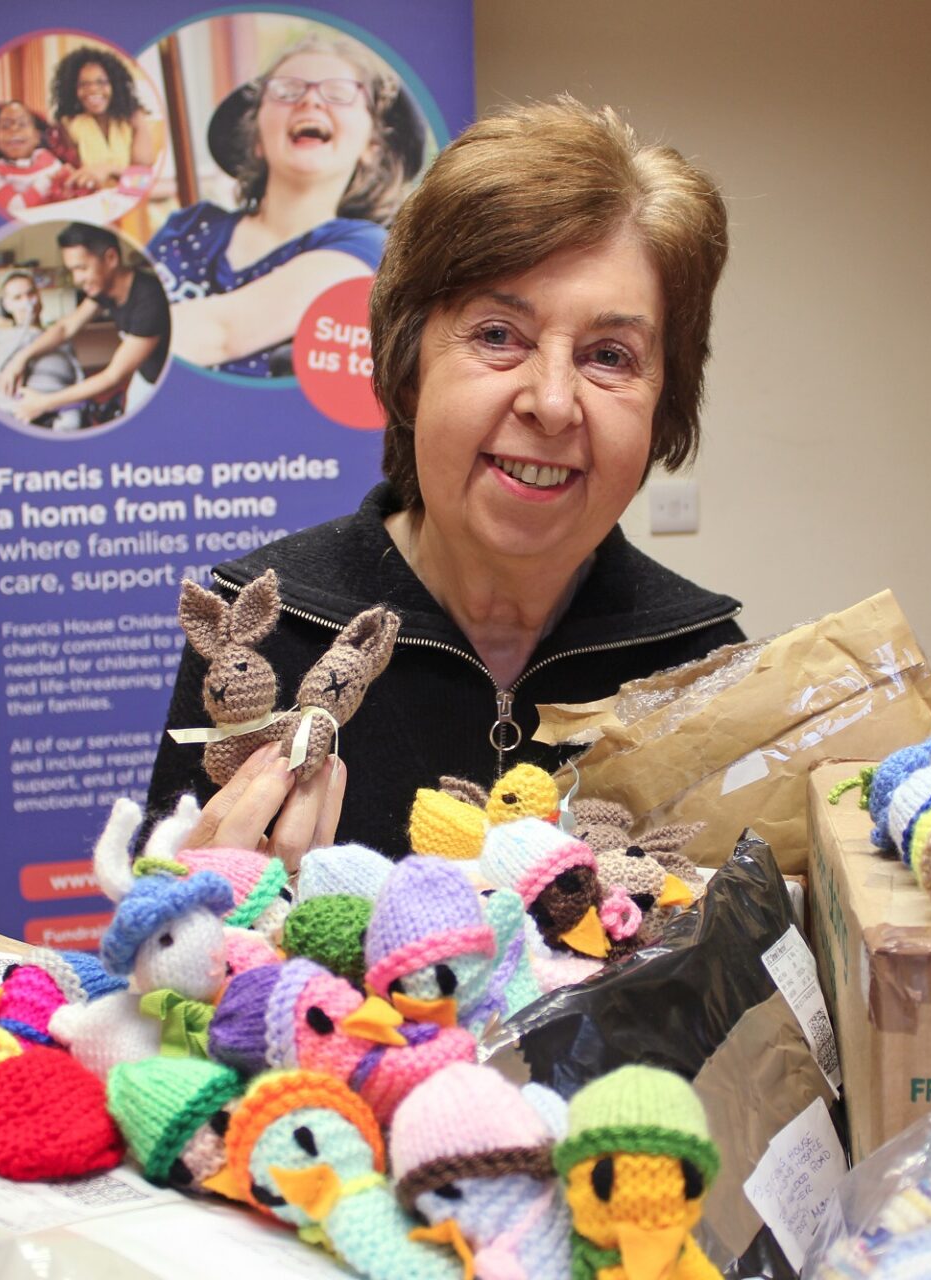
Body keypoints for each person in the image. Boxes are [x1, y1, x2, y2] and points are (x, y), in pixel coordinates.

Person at [145, 99, 743, 866]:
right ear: (407, 371)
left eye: (610, 355)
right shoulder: (260, 631)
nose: (553, 403)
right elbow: (157, 953)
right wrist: (225, 923)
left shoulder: (700, 667)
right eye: (499, 336)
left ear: (663, 405)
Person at [147, 35, 425, 377]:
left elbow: (221, 333)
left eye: (339, 93)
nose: (310, 100)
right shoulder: (189, 224)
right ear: (256, 138)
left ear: (372, 146)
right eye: (287, 91)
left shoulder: (365, 249)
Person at [0, 223, 169, 424]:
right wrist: (21, 358)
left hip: (167, 382)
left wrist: (44, 403)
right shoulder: (105, 289)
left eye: (82, 268)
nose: (77, 279)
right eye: (72, 270)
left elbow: (113, 376)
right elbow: (66, 328)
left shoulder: (150, 300)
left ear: (111, 258)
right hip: (146, 372)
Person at [0, 272, 85, 430]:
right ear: (6, 305)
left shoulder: (58, 337)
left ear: (39, 296)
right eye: (18, 298)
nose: (27, 302)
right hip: (7, 412)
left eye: (31, 294)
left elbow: (78, 380)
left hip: (56, 412)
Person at [49, 46, 158, 189]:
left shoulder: (133, 117)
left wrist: (108, 169)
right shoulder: (68, 124)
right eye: (84, 84)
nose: (93, 89)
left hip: (133, 199)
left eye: (101, 82)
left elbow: (144, 179)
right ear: (73, 89)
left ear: (115, 85)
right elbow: (74, 179)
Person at [0, 100, 77, 216]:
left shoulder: (45, 155)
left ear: (37, 137)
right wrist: (49, 180)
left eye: (22, 124)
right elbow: (15, 207)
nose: (13, 129)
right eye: (5, 126)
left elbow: (65, 185)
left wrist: (71, 177)